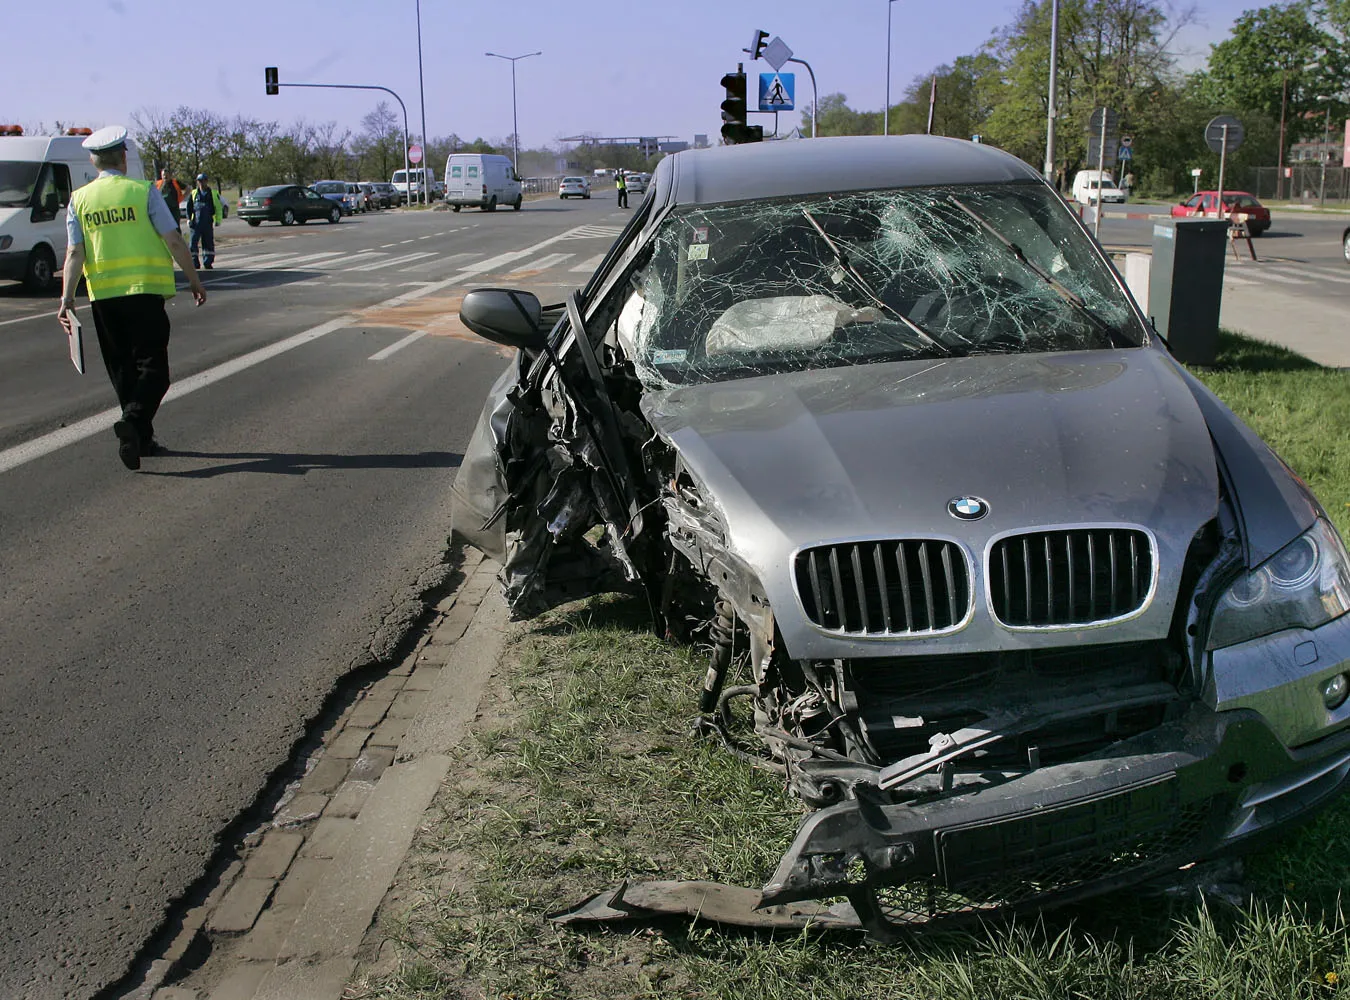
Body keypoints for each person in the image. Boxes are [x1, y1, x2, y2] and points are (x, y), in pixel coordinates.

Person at [56, 126, 207, 471]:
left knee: (122, 369)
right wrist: (194, 279)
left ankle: (140, 440)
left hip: (103, 298)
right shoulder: (142, 192)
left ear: (94, 162)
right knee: (155, 370)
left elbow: (75, 253)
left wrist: (66, 298)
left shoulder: (79, 200)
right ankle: (134, 422)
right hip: (143, 291)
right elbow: (173, 240)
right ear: (123, 157)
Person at [185, 172, 223, 269]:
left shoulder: (213, 193)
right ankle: (194, 262)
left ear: (207, 181)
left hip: (207, 222)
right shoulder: (194, 193)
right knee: (193, 243)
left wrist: (218, 220)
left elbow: (218, 207)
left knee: (208, 243)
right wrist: (189, 219)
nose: (202, 183)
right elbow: (189, 207)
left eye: (203, 180)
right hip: (195, 223)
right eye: (200, 181)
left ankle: (208, 262)